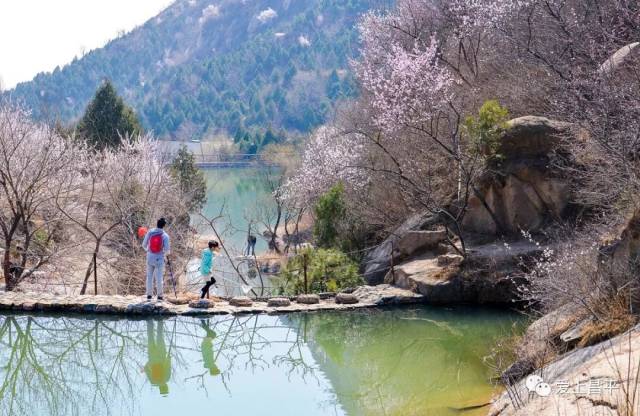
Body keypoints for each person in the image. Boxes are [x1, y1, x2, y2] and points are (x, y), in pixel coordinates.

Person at [142, 218, 171, 301]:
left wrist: (148, 250)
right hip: (159, 258)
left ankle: (149, 295)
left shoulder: (150, 232)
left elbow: (144, 245)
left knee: (149, 276)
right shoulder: (165, 235)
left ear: (157, 223)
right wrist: (165, 255)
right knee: (159, 277)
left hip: (150, 257)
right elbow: (167, 250)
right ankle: (160, 296)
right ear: (164, 226)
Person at [144, 320, 172, 395]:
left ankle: (160, 320)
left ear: (166, 387)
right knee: (150, 336)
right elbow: (146, 368)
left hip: (161, 355)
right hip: (152, 357)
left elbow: (168, 365)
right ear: (160, 389)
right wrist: (150, 361)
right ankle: (149, 321)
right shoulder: (153, 382)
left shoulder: (166, 378)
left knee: (160, 335)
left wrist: (169, 358)